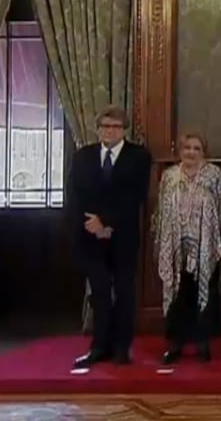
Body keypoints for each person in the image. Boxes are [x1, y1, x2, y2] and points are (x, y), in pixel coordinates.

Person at [68, 105, 152, 367]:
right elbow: (75, 194)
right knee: (100, 293)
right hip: (90, 236)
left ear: (124, 130)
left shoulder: (139, 156)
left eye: (115, 127)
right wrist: (91, 224)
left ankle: (121, 349)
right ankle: (99, 347)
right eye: (105, 126)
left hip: (122, 235)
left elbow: (135, 196)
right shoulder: (83, 156)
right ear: (98, 129)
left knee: (125, 293)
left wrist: (106, 221)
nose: (109, 131)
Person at [154, 131, 221, 364]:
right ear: (180, 151)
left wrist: (217, 241)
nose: (191, 153)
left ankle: (203, 343)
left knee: (205, 292)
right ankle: (175, 344)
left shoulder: (214, 175)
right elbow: (161, 210)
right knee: (178, 293)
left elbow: (220, 208)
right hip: (175, 244)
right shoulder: (169, 176)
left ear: (204, 152)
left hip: (204, 244)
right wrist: (160, 242)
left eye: (196, 148)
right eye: (187, 148)